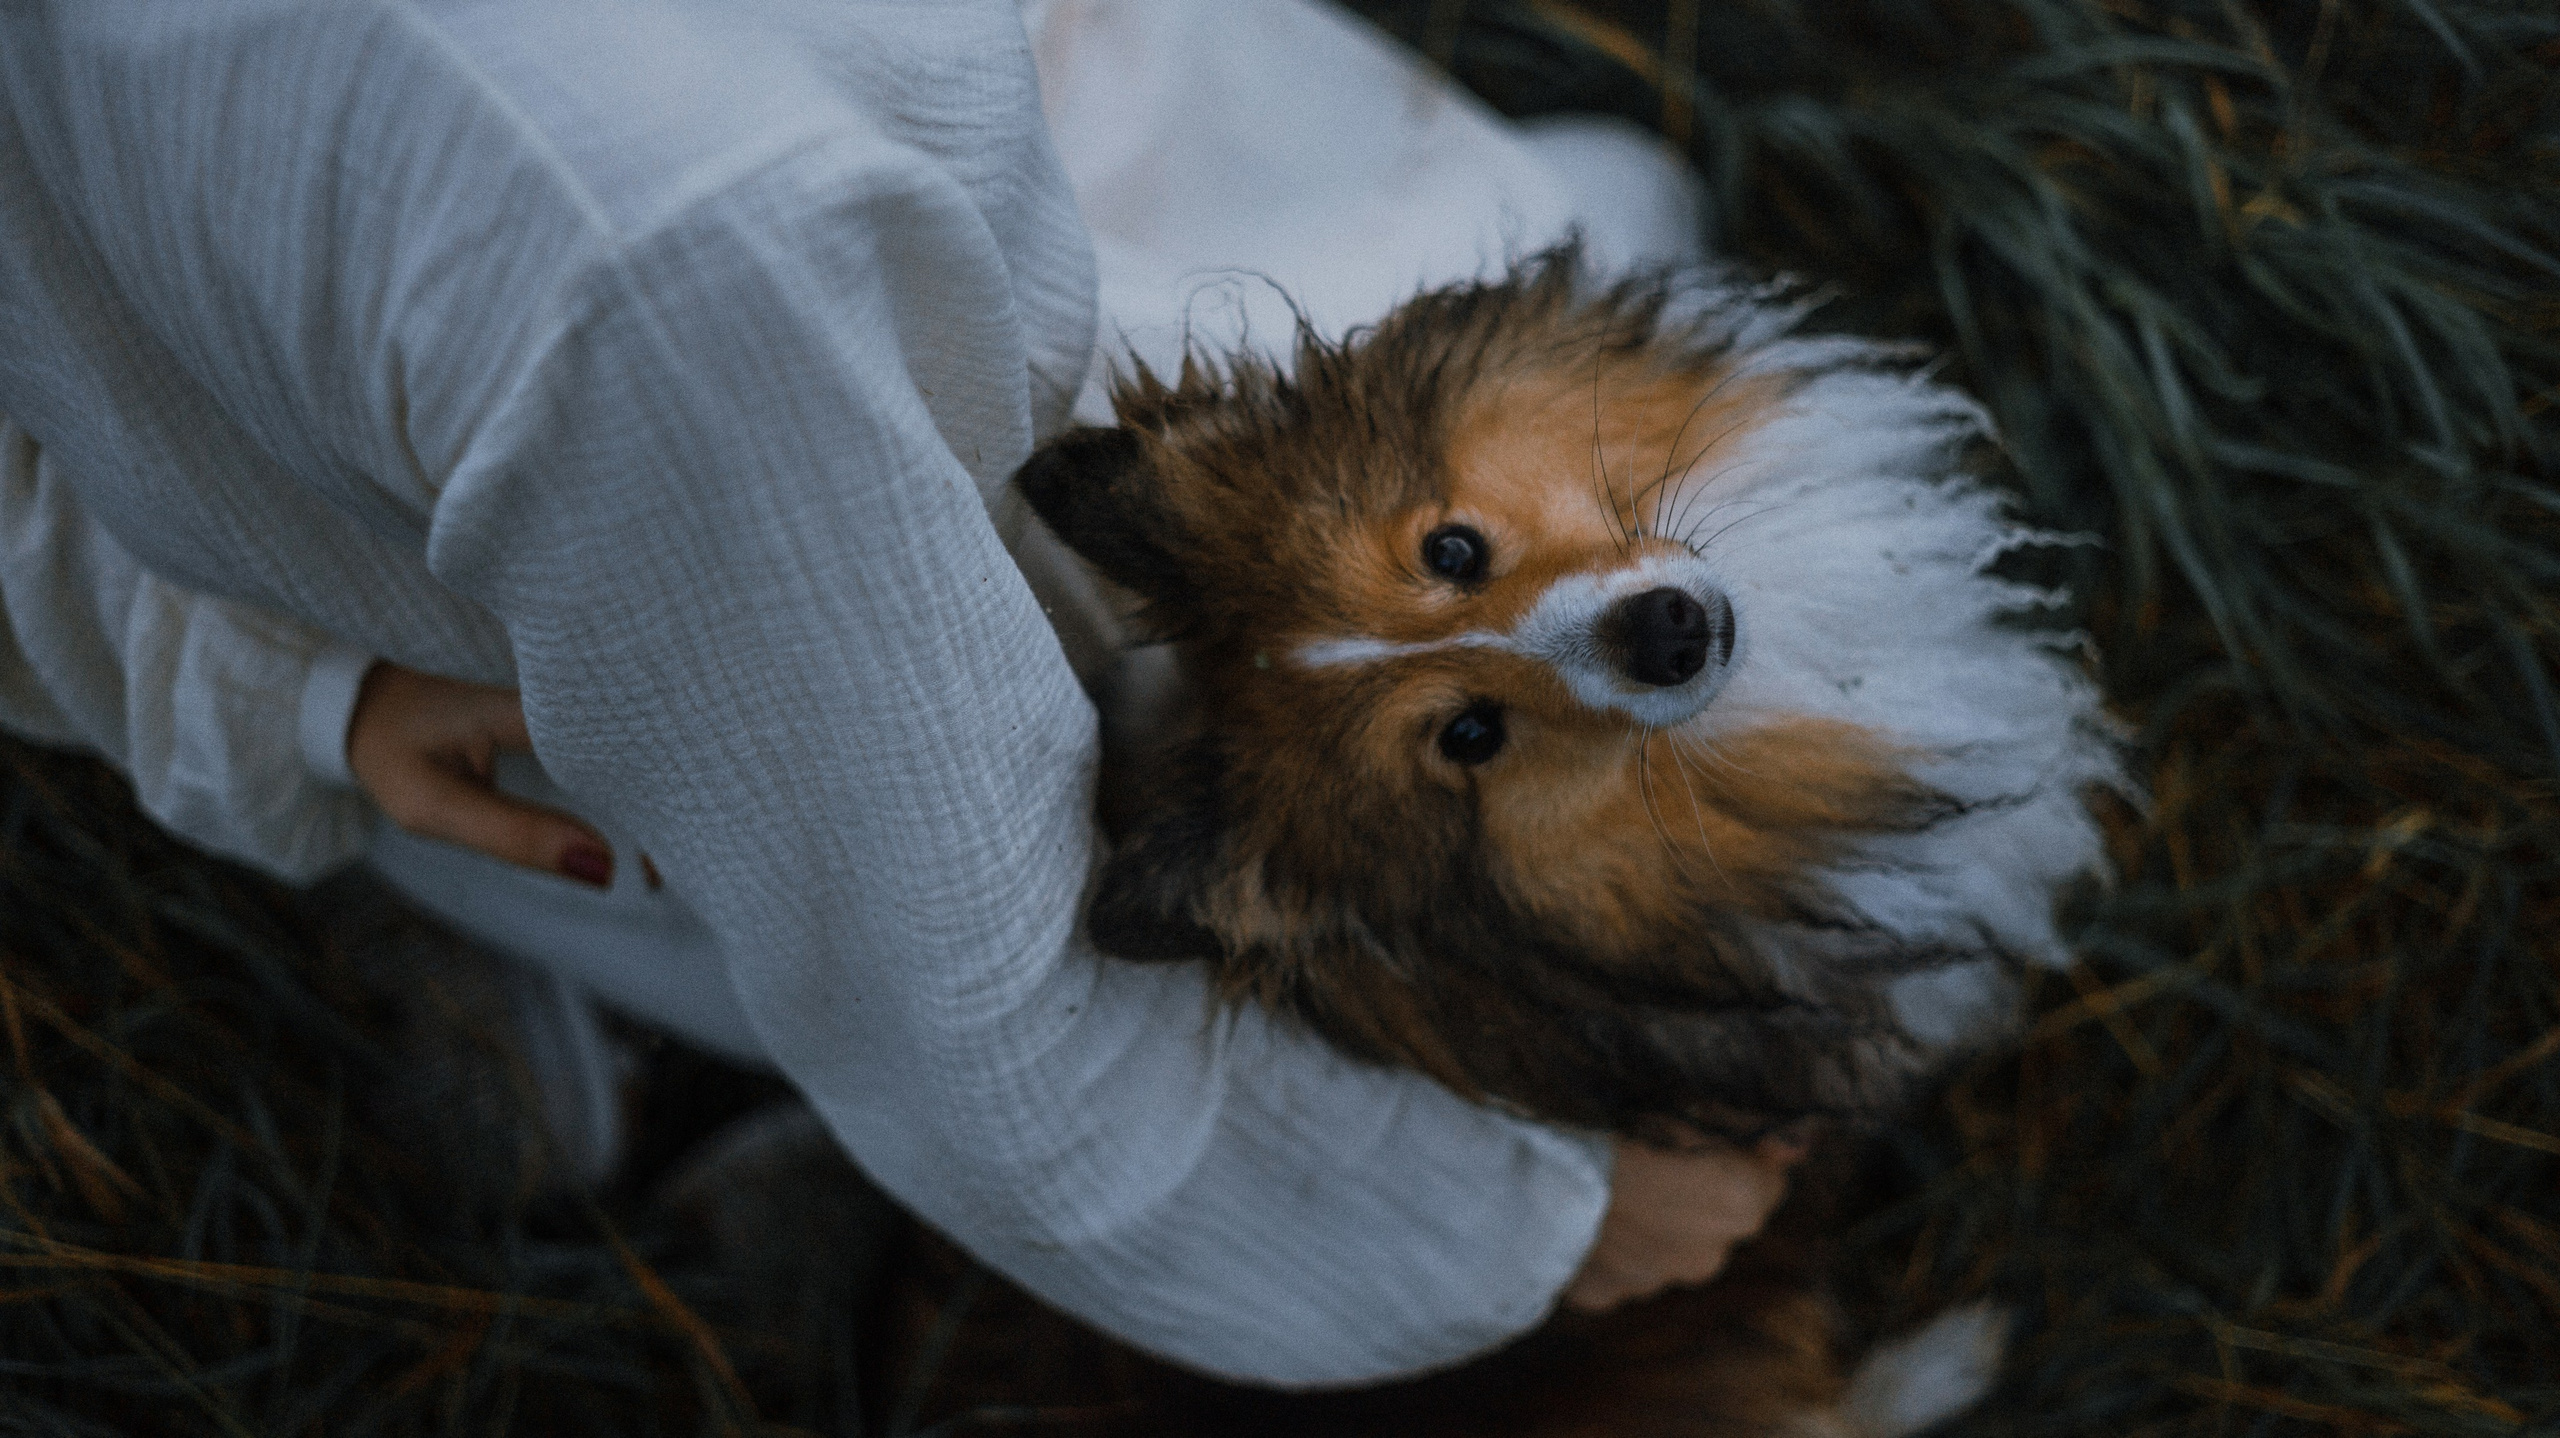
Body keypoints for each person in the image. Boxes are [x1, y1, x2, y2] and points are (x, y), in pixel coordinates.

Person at [0, 0, 1799, 1384]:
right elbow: (971, 970)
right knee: (810, 853)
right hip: (641, 565)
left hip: (1052, 212)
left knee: (1568, 252)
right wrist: (1519, 1210)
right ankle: (686, 1055)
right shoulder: (662, 263)